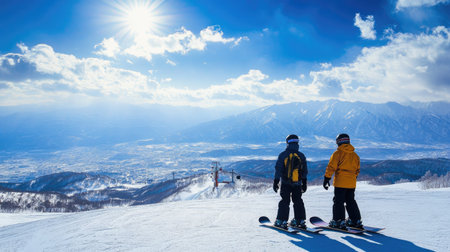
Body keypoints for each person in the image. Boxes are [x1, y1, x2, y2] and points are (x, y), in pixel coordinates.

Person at [323, 133, 363, 230]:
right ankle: (355, 220)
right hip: (352, 183)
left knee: (338, 201)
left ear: (338, 142)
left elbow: (331, 167)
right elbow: (357, 170)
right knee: (351, 201)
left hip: (340, 182)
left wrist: (326, 178)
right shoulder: (355, 155)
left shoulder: (337, 154)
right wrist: (352, 179)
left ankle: (338, 221)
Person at [273, 134, 308, 229]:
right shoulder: (301, 155)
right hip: (298, 183)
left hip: (285, 183)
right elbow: (305, 170)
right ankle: (300, 220)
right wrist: (304, 183)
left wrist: (276, 181)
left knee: (285, 201)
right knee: (298, 201)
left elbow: (278, 169)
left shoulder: (283, 155)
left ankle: (281, 220)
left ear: (287, 143)